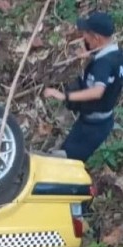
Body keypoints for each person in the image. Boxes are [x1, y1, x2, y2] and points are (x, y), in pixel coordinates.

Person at [43, 11, 123, 162]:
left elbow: (97, 91)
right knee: (68, 152)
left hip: (92, 128)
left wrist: (63, 96)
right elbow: (110, 73)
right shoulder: (117, 55)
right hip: (101, 121)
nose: (83, 37)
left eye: (86, 33)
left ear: (97, 38)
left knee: (69, 161)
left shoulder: (103, 64)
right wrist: (91, 56)